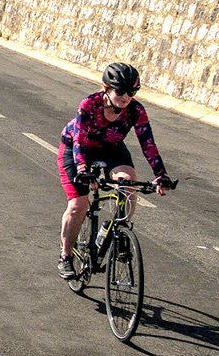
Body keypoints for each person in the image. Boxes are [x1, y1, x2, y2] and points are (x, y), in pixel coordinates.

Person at [58, 62, 175, 278]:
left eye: (131, 92)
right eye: (120, 91)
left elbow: (148, 144)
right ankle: (66, 255)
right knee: (78, 205)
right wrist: (83, 169)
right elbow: (79, 141)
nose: (126, 97)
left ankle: (117, 232)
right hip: (77, 147)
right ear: (106, 88)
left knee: (129, 182)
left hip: (110, 147)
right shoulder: (89, 104)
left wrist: (161, 174)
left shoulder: (136, 111)